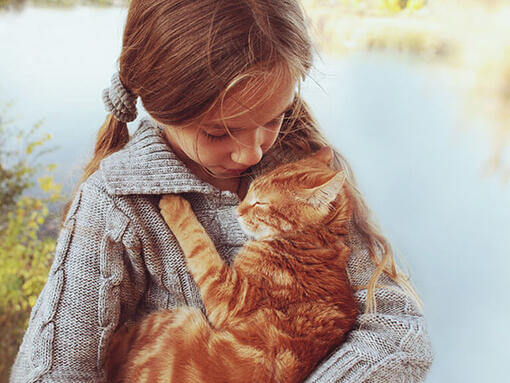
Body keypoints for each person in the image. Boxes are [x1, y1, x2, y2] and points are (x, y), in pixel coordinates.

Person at [9, 0, 433, 382]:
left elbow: (398, 332)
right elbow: (53, 368)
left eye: (275, 118)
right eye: (218, 133)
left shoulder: (307, 176)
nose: (252, 151)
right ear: (160, 109)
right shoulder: (116, 203)